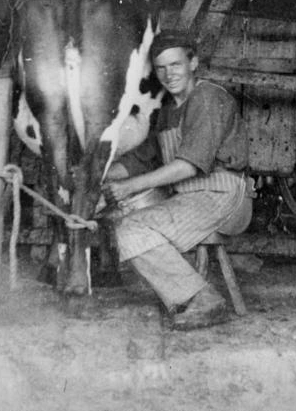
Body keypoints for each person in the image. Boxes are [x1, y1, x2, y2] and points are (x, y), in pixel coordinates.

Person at [102, 31, 253, 330]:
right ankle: (187, 291)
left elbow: (188, 166)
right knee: (121, 217)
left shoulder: (208, 98)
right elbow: (141, 160)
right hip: (190, 198)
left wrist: (130, 186)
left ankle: (202, 299)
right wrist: (100, 175)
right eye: (160, 68)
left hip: (224, 194)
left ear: (193, 62)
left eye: (175, 64)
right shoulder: (167, 111)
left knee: (132, 229)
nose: (168, 74)